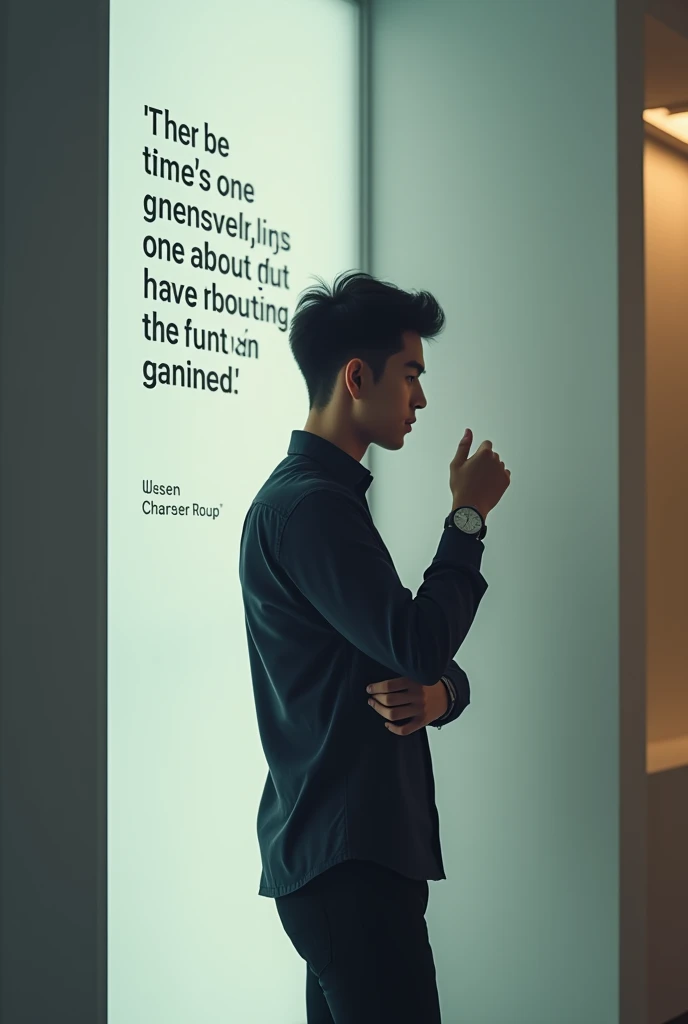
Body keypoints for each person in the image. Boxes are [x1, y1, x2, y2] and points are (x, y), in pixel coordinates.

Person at [238, 270, 511, 1023]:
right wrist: (467, 519)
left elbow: (412, 662)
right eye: (411, 374)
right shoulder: (311, 512)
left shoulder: (321, 505)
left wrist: (443, 695)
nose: (421, 398)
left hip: (345, 865)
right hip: (347, 870)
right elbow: (419, 641)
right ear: (357, 377)